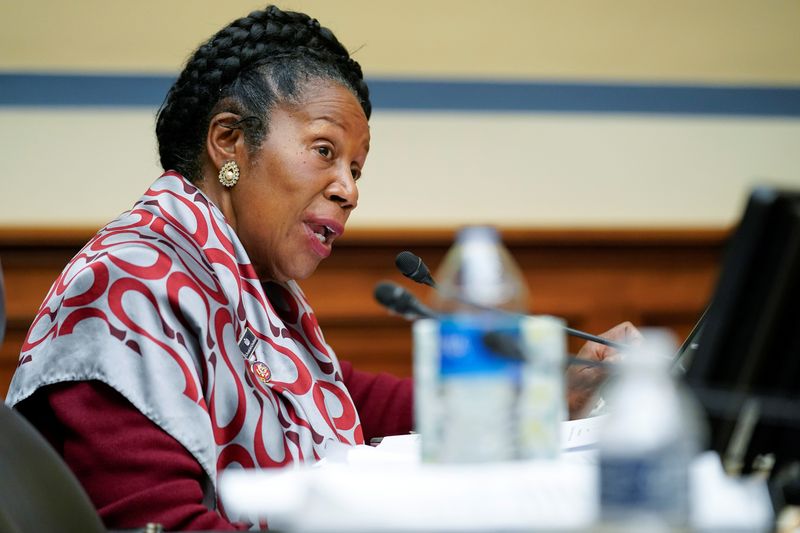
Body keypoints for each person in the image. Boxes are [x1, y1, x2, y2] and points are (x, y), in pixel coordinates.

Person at [5, 4, 636, 531]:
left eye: (355, 170)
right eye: (324, 152)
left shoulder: (244, 288)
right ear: (229, 142)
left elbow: (360, 404)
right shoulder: (127, 283)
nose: (348, 190)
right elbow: (159, 523)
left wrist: (551, 390)